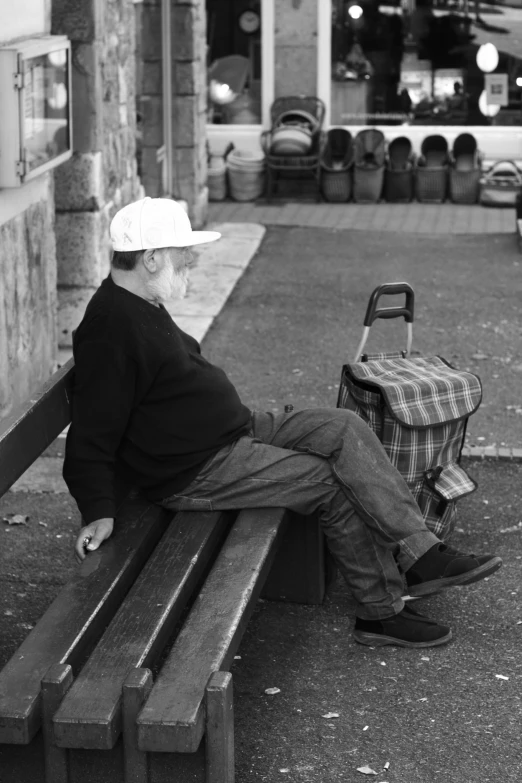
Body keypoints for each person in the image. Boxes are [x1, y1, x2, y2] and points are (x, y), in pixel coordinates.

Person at [63, 197, 502, 649]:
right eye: (183, 253)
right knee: (330, 482)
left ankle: (420, 552)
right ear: (151, 258)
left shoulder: (140, 299)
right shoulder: (109, 327)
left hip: (234, 429)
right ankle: (381, 614)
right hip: (197, 468)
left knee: (343, 427)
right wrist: (97, 508)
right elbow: (93, 428)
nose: (191, 260)